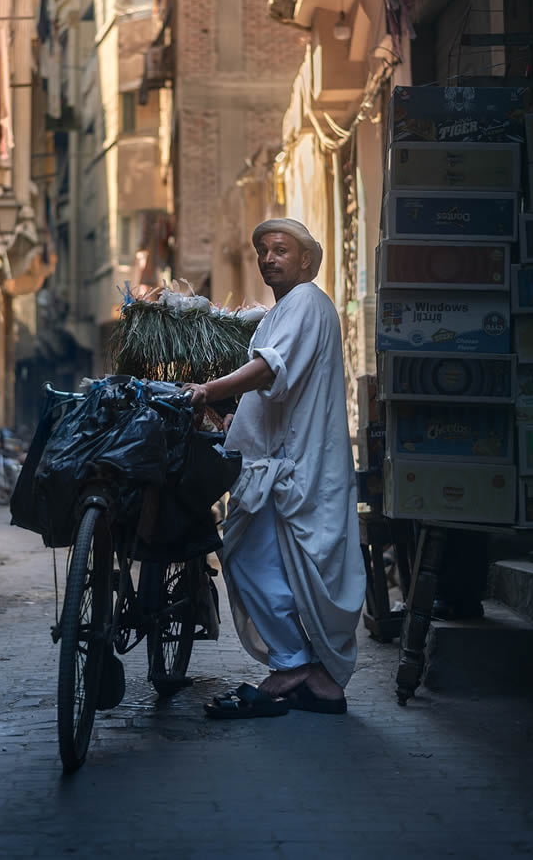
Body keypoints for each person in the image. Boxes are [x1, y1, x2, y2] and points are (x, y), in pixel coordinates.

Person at [184, 219, 365, 718]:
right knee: (266, 561)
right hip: (284, 468)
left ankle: (298, 668)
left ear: (306, 260)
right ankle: (311, 675)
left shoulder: (306, 301)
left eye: (280, 249)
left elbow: (269, 369)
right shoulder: (284, 311)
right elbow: (276, 389)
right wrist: (232, 417)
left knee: (252, 557)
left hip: (298, 470)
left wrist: (207, 389)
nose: (268, 258)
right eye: (262, 250)